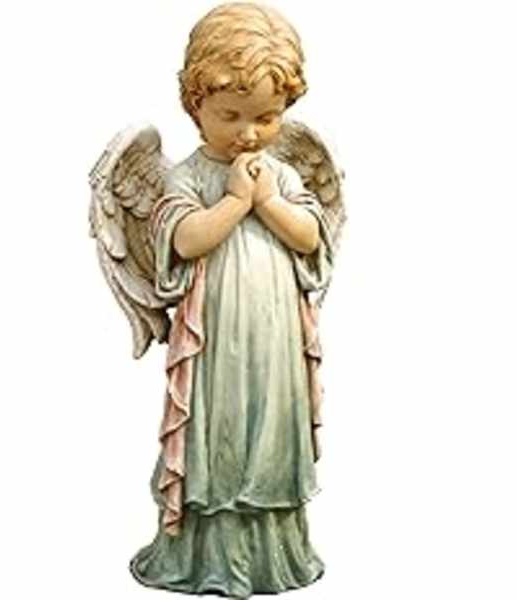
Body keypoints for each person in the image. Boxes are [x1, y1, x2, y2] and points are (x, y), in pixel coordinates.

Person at [130, 4, 334, 597]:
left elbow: (310, 236)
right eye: (231, 116)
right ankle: (207, 553)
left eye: (267, 118)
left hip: (274, 334)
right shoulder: (189, 177)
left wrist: (268, 201)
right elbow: (185, 240)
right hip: (215, 336)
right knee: (219, 431)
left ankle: (274, 553)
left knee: (269, 426)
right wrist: (236, 202)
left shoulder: (281, 175)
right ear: (195, 105)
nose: (249, 133)